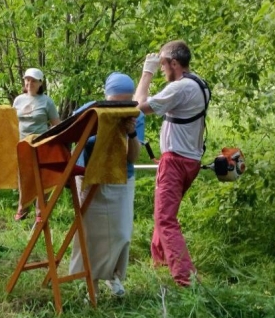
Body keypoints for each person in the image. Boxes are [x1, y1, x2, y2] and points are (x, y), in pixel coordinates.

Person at [134, 40, 209, 286]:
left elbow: (137, 106)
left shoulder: (179, 88)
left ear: (174, 63)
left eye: (163, 64)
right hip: (188, 159)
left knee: (165, 218)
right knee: (163, 213)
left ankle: (186, 279)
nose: (162, 69)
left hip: (176, 162)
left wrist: (147, 73)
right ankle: (161, 261)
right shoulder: (199, 83)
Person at [68, 73, 144, 297]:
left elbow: (133, 157)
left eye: (125, 100)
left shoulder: (135, 114)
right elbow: (75, 142)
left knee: (121, 233)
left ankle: (114, 277)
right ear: (107, 96)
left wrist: (130, 132)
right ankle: (90, 282)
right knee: (91, 234)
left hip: (121, 179)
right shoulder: (89, 112)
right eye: (116, 101)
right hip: (92, 179)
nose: (120, 105)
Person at [13, 67, 60, 222]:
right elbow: (12, 122)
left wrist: (52, 142)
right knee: (24, 176)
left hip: (41, 144)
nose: (30, 83)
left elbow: (56, 124)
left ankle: (41, 209)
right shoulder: (18, 100)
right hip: (22, 144)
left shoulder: (47, 101)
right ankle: (23, 207)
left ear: (40, 83)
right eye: (27, 80)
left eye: (34, 80)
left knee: (42, 176)